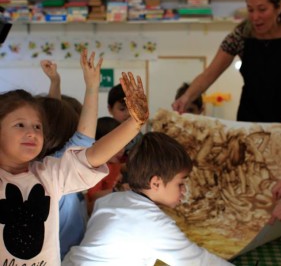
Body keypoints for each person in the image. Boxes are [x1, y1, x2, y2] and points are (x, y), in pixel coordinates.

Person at [0, 69, 149, 264]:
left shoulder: (48, 175)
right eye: (20, 125)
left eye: (37, 127)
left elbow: (92, 155)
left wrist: (135, 123)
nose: (32, 133)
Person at [62, 132, 234, 266]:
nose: (184, 190)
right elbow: (199, 262)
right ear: (156, 183)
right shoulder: (153, 223)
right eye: (180, 183)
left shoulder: (111, 200)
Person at [172, 0, 281, 124]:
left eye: (262, 9)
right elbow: (209, 74)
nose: (255, 17)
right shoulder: (240, 35)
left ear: (279, 7)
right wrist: (186, 98)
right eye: (250, 9)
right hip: (250, 121)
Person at [39, 50, 102, 259]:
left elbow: (52, 118)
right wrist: (92, 86)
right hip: (64, 257)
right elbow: (83, 138)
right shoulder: (58, 164)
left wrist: (55, 81)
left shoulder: (42, 162)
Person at [86, 116, 127, 216]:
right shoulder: (95, 167)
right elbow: (92, 198)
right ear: (97, 143)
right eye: (116, 145)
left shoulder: (115, 163)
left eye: (124, 144)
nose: (122, 150)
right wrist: (118, 190)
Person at [108, 83, 143, 153]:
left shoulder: (140, 139)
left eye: (133, 109)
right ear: (110, 109)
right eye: (122, 109)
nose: (128, 114)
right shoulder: (103, 134)